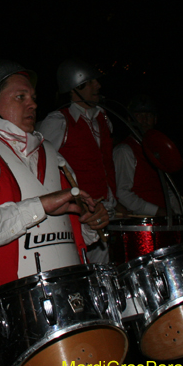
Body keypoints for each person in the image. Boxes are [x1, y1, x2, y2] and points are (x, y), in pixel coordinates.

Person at [0, 60, 108, 366]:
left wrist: (90, 223)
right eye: (20, 97)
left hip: (64, 313)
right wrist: (41, 205)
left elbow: (69, 236)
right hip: (0, 319)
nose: (32, 103)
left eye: (32, 97)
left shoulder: (55, 156)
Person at [38, 58, 117, 263]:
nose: (97, 86)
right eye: (90, 82)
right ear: (74, 88)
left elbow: (106, 166)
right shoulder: (58, 121)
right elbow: (41, 165)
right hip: (79, 217)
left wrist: (114, 202)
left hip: (106, 213)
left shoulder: (104, 118)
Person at [112, 94, 179, 215]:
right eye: (139, 115)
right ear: (130, 119)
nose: (144, 120)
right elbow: (122, 193)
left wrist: (181, 209)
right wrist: (156, 211)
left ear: (155, 119)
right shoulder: (125, 150)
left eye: (149, 115)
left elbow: (167, 190)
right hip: (142, 221)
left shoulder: (158, 150)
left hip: (164, 220)